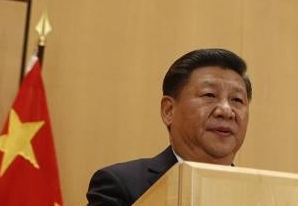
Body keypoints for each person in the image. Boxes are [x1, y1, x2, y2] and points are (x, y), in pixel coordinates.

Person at [86, 48, 251, 205]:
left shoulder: (260, 193)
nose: (226, 111)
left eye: (237, 100)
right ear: (169, 110)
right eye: (209, 95)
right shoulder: (120, 186)